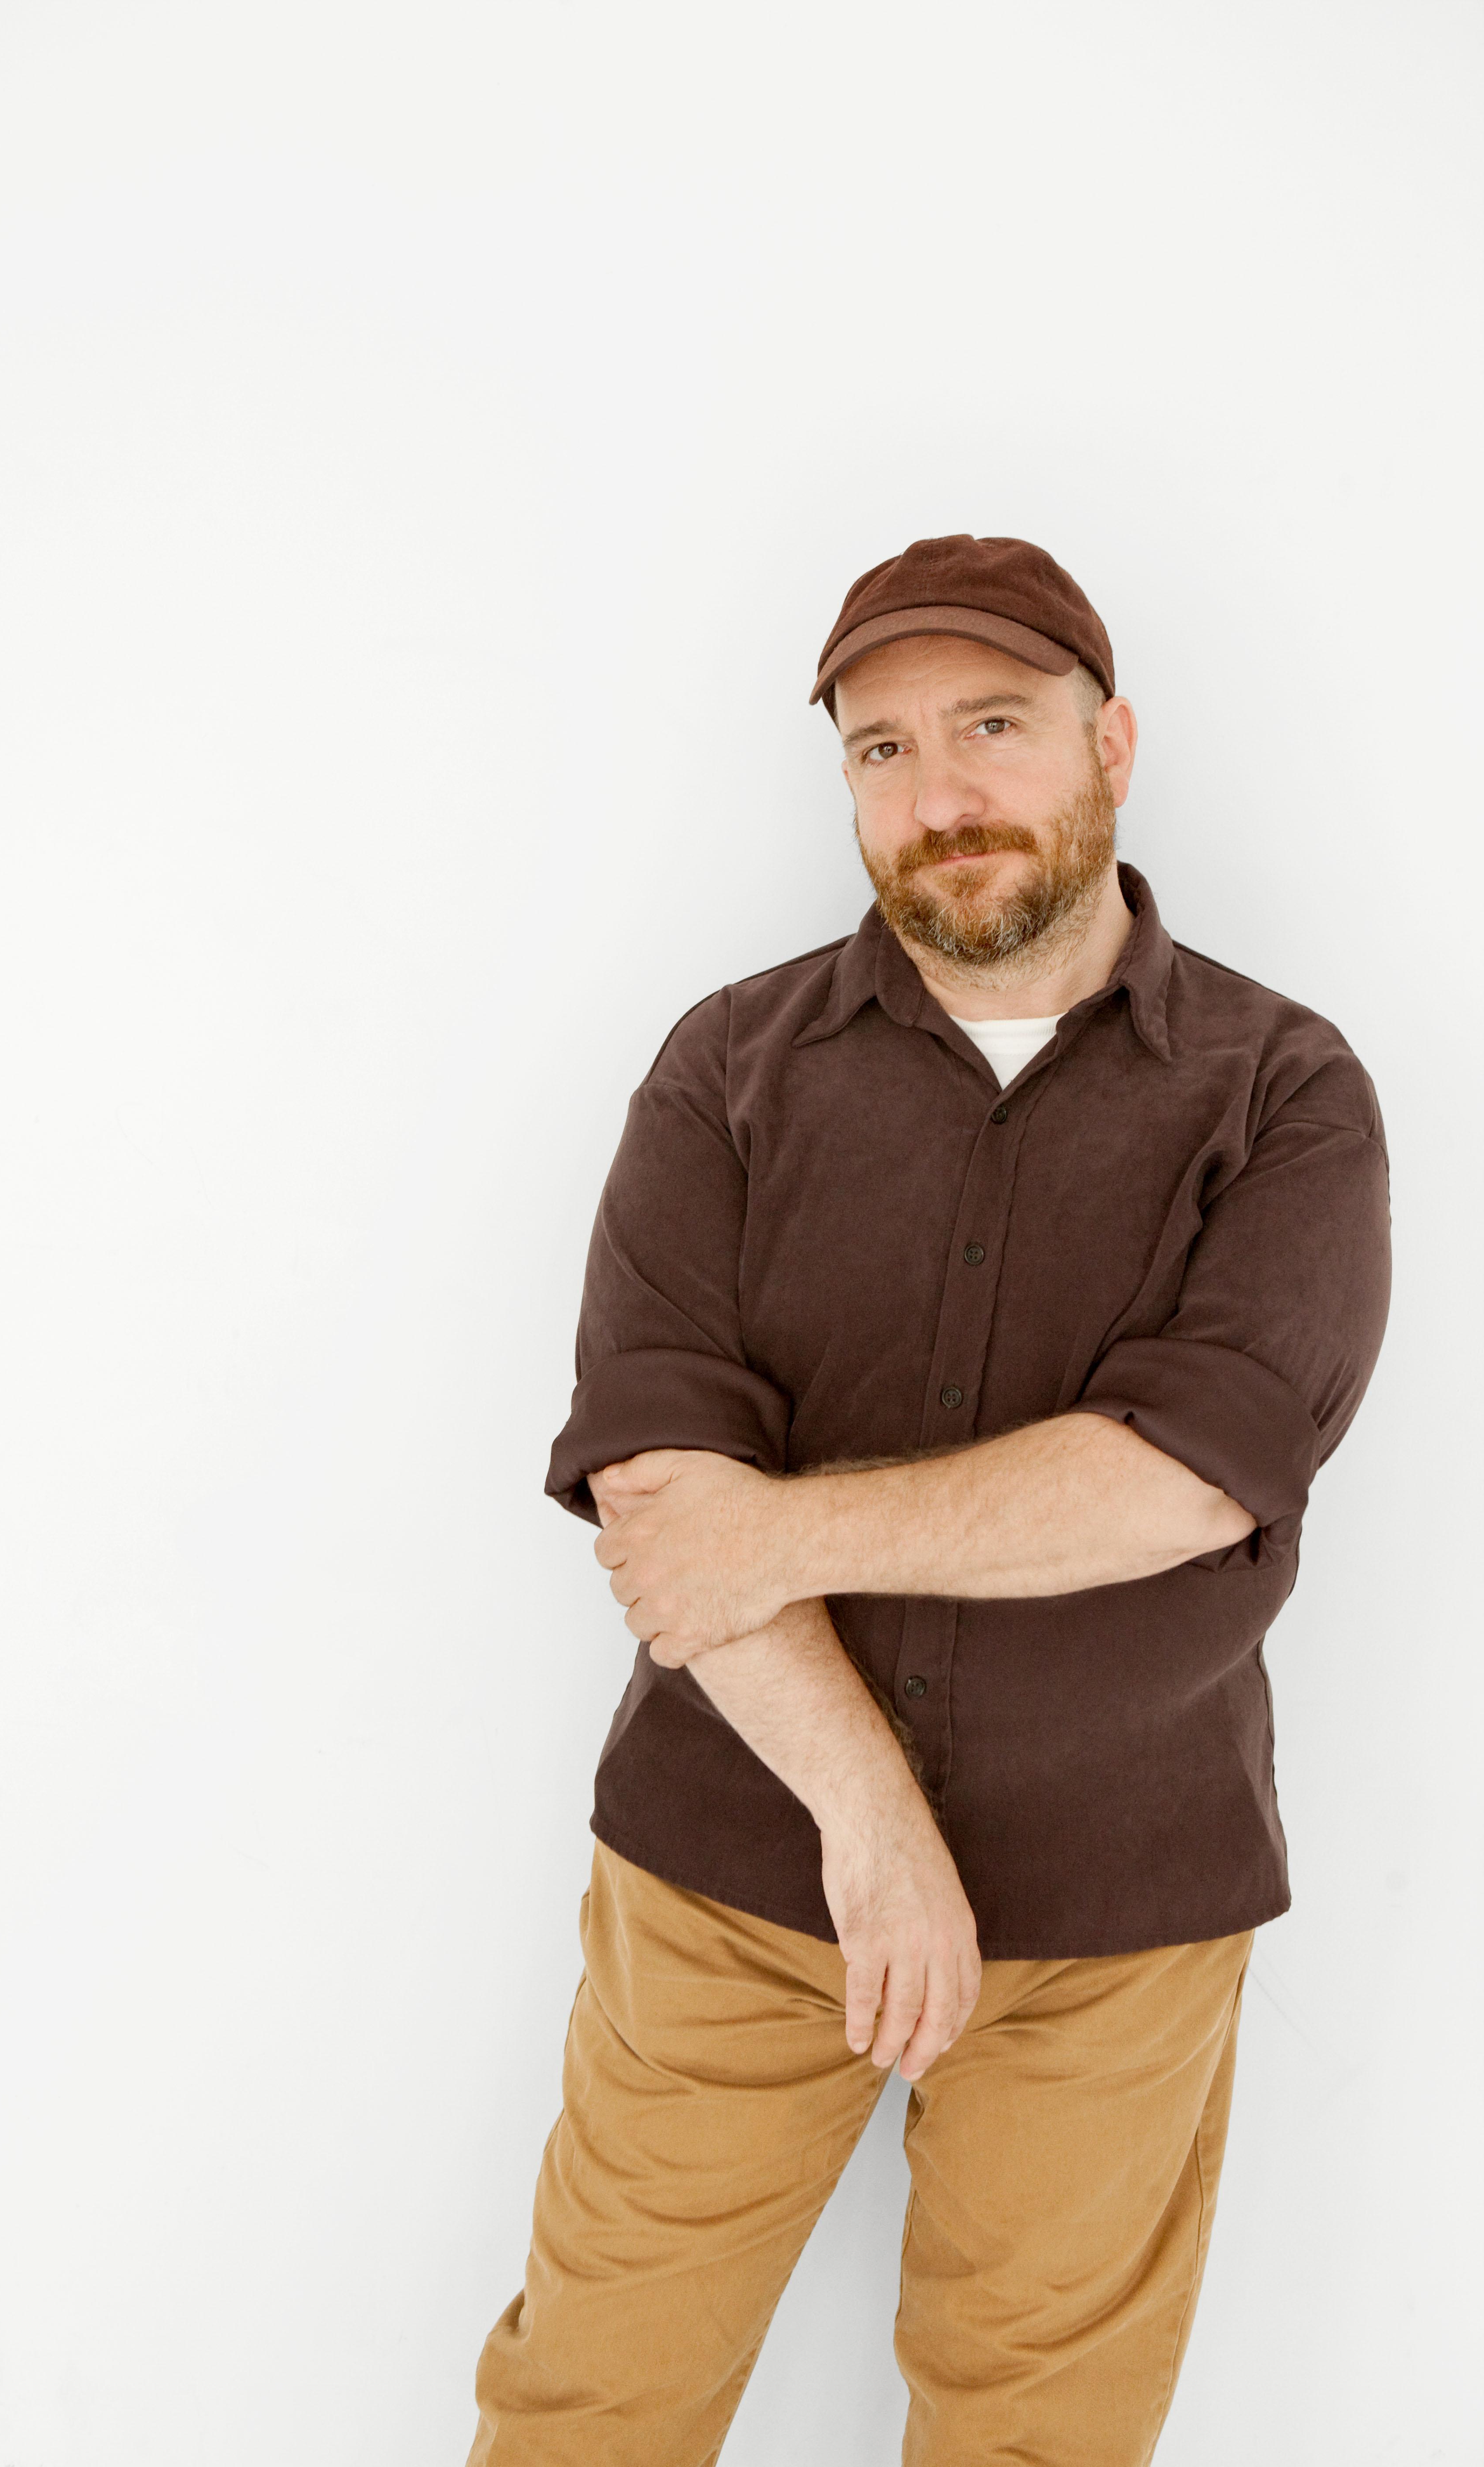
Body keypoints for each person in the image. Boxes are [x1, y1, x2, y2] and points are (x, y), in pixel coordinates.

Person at [466, 533, 1392, 2465]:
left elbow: (1181, 1480)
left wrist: (779, 1529)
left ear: (1112, 742)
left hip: (1119, 1909)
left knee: (1039, 2444)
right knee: (588, 2409)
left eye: (992, 727)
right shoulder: (724, 1068)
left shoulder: (1287, 1094)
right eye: (880, 750)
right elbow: (660, 1471)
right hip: (736, 1873)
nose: (940, 794)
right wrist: (871, 1823)